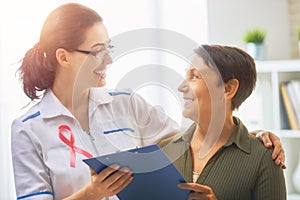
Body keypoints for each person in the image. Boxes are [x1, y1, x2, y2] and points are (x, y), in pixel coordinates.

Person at [11, 3, 285, 200]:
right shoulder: (28, 129)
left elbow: (193, 141)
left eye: (109, 49)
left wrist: (252, 137)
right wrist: (92, 194)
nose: (108, 60)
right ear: (63, 57)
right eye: (97, 52)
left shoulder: (127, 104)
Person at [159, 45, 286, 199]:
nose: (181, 87)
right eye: (186, 76)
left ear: (228, 88)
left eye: (195, 76)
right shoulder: (163, 151)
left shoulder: (264, 157)